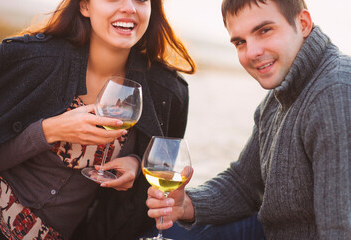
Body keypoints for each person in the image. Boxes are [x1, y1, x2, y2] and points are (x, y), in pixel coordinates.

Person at [145, 0, 351, 239]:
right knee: (160, 225)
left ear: (303, 24)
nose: (252, 52)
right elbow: (244, 184)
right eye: (240, 42)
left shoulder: (335, 94)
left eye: (264, 31)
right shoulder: (282, 94)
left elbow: (341, 227)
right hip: (268, 230)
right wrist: (186, 205)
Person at [0, 0, 195, 239]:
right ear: (85, 6)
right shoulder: (28, 58)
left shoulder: (168, 92)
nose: (130, 7)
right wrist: (49, 131)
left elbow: (160, 191)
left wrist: (137, 165)